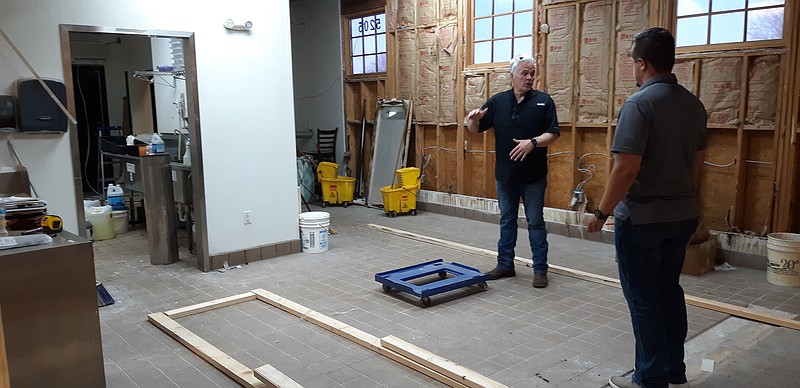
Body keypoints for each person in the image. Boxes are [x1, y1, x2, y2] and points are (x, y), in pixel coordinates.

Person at [587, 28, 707, 388]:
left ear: (641, 63)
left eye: (633, 62)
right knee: (669, 290)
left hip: (642, 220)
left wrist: (601, 212)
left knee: (644, 300)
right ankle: (674, 369)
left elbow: (626, 167)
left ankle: (649, 378)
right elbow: (697, 166)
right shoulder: (694, 105)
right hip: (683, 215)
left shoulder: (639, 104)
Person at [465, 54, 560, 288]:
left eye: (532, 73)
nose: (529, 78)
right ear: (512, 77)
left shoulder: (543, 101)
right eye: (524, 73)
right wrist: (472, 119)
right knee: (507, 220)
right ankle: (505, 265)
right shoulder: (498, 102)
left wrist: (533, 142)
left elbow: (554, 133)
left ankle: (540, 270)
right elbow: (475, 129)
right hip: (505, 176)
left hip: (533, 177)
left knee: (535, 222)